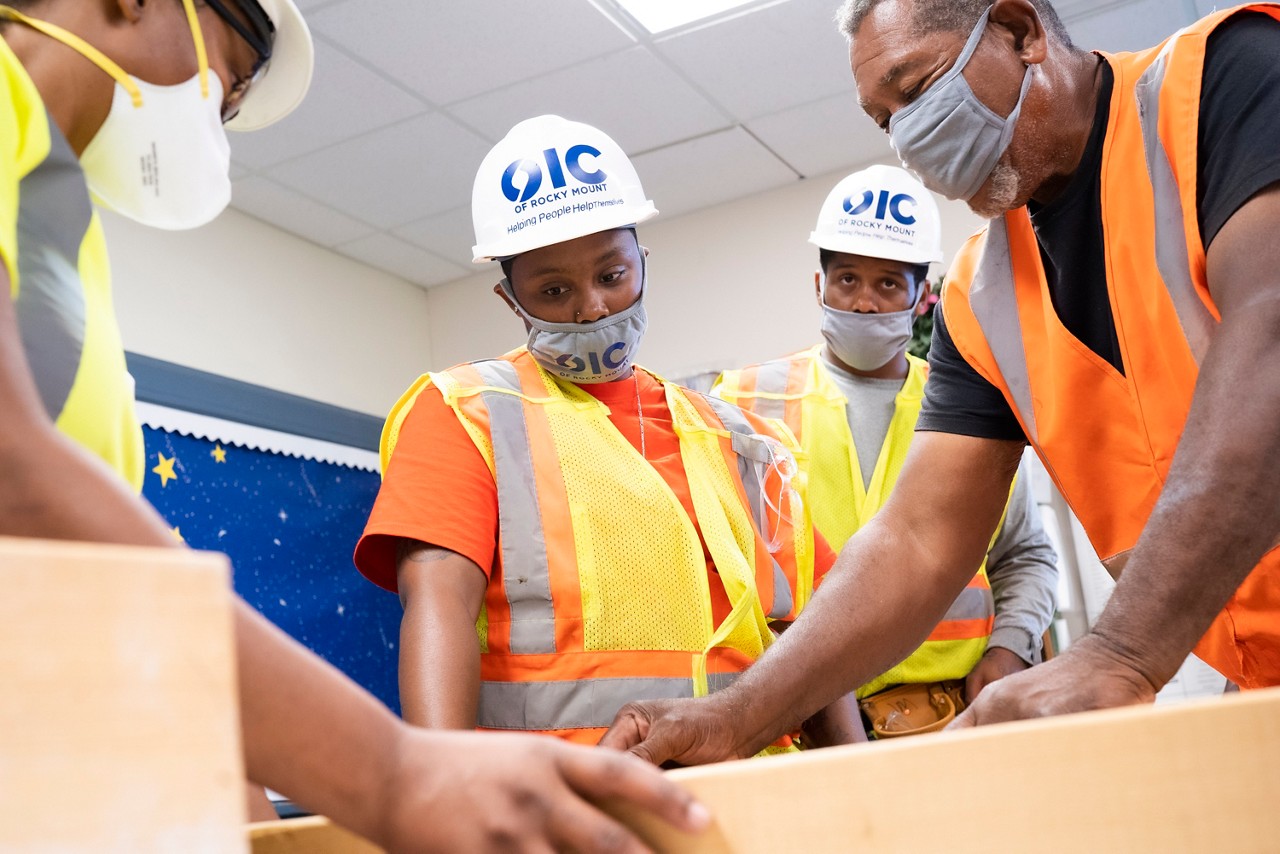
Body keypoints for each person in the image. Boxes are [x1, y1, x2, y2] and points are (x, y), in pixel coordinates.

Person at [0, 2, 708, 849]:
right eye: (227, 84)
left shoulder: (60, 232)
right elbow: (18, 477)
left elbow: (107, 584)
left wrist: (245, 799)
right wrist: (396, 774)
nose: (218, 125)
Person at [599, 0, 1280, 765]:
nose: (909, 139)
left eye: (917, 89)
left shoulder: (1222, 82)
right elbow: (918, 538)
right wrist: (736, 716)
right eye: (884, 120)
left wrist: (1118, 652)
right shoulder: (982, 296)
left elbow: (1272, 339)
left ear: (1020, 32)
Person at [353, 114, 857, 750]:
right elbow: (438, 607)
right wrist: (443, 793)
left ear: (642, 263)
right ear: (512, 299)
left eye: (612, 275)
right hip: (567, 808)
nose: (591, 306)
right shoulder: (465, 412)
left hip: (753, 796)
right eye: (554, 289)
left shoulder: (737, 438)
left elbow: (812, 631)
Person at [712, 164, 1058, 736]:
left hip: (957, 719)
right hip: (807, 723)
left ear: (923, 296)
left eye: (888, 284)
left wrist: (1010, 651)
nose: (866, 303)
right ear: (818, 286)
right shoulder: (745, 403)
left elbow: (1024, 556)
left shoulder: (968, 408)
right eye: (847, 280)